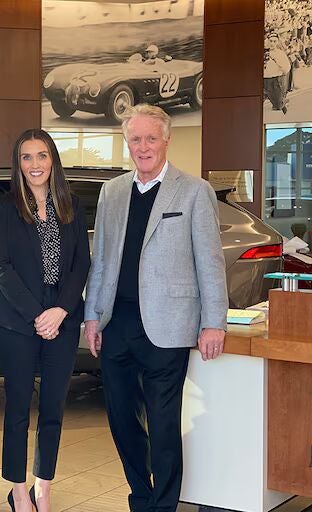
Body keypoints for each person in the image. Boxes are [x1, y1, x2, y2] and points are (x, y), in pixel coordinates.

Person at [84, 104, 228, 512]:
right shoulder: (112, 191)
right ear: (125, 142)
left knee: (165, 427)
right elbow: (103, 260)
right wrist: (93, 314)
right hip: (117, 324)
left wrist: (214, 321)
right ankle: (140, 496)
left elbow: (210, 261)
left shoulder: (194, 190)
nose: (143, 146)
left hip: (169, 325)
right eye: (135, 139)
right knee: (121, 420)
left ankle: (163, 505)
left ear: (166, 140)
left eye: (151, 138)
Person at [0, 129, 90, 512]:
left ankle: (42, 489)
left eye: (42, 156)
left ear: (53, 161)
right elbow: (1, 266)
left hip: (62, 317)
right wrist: (37, 314)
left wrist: (61, 310)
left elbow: (82, 261)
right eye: (27, 157)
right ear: (19, 163)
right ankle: (17, 491)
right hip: (19, 319)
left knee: (53, 408)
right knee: (16, 410)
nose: (35, 165)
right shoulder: (3, 207)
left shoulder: (71, 205)